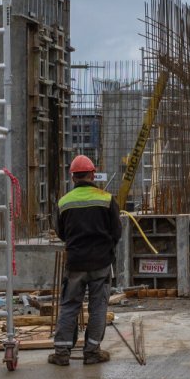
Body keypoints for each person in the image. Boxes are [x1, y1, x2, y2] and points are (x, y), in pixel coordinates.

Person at [50, 155, 122, 367]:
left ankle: (62, 353)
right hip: (100, 263)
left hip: (75, 263)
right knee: (98, 306)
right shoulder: (106, 199)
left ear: (73, 177)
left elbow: (61, 232)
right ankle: (91, 352)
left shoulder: (64, 202)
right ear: (93, 174)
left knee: (70, 305)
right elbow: (116, 232)